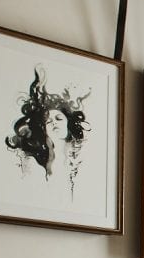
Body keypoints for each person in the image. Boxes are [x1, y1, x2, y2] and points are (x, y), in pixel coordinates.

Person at [5, 67, 90, 198]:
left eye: (58, 118)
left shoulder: (81, 156)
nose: (54, 123)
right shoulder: (34, 162)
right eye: (48, 121)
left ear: (69, 123)